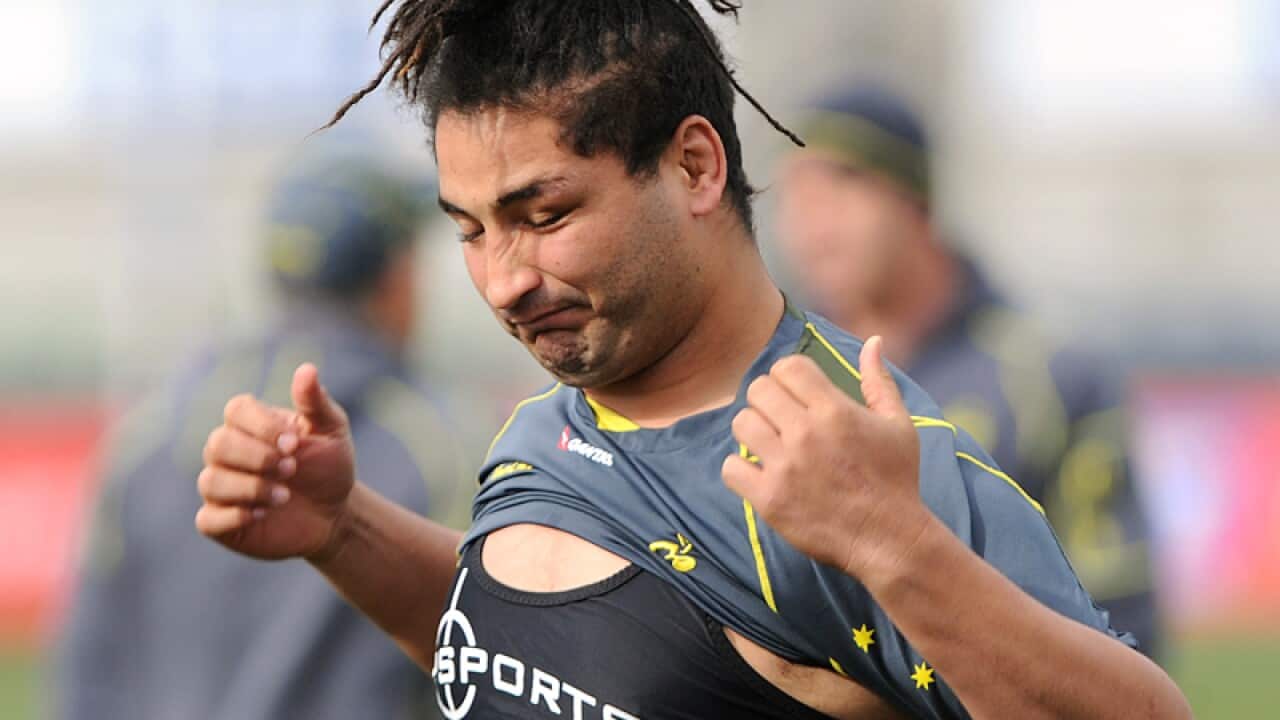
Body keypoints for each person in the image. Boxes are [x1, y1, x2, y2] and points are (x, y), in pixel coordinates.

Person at [194, 2, 1191, 718]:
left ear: (694, 166)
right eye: (469, 230)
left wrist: (899, 547)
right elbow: (544, 659)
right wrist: (342, 528)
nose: (503, 281)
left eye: (545, 216)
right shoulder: (546, 421)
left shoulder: (852, 458)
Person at [56, 156, 469, 720]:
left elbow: (89, 666)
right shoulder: (440, 439)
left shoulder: (149, 431)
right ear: (395, 278)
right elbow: (492, 655)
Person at [776, 84, 1163, 659]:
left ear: (915, 202)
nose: (812, 221)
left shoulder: (1050, 379)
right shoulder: (776, 371)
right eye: (795, 195)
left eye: (842, 184)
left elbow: (1122, 622)